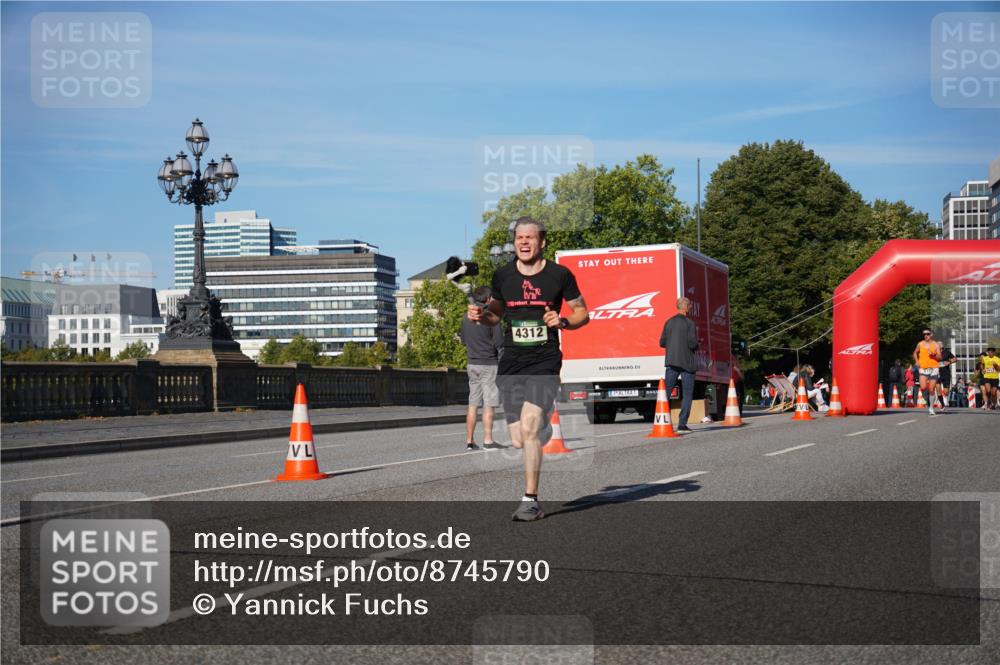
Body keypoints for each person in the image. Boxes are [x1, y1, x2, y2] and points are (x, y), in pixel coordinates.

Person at [468, 216, 589, 522]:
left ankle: (530, 500)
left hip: (544, 360)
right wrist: (482, 316)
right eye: (519, 238)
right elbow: (496, 315)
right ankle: (541, 430)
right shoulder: (503, 276)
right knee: (520, 439)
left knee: (530, 427)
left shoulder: (559, 275)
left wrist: (562, 321)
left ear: (542, 242)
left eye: (530, 237)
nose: (523, 242)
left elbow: (582, 313)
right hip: (511, 362)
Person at [459, 286, 504, 451]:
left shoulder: (466, 317)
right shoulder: (490, 316)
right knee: (489, 403)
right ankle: (488, 440)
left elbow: (463, 340)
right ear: (489, 299)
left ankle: (469, 441)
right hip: (489, 364)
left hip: (472, 363)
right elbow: (499, 343)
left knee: (473, 403)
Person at [658, 297, 699, 432]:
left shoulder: (668, 322)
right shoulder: (690, 323)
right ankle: (682, 424)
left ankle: (661, 420)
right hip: (687, 362)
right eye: (690, 305)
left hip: (671, 361)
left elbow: (662, 343)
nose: (691, 307)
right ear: (685, 307)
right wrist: (697, 345)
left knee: (666, 393)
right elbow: (692, 343)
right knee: (687, 393)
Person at [913, 329, 943, 415]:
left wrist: (933, 355)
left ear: (931, 334)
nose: (926, 335)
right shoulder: (920, 344)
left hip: (934, 368)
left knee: (931, 389)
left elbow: (940, 358)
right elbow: (914, 353)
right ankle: (929, 400)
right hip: (923, 368)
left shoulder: (935, 344)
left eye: (927, 334)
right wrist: (917, 361)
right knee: (923, 387)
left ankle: (931, 408)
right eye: (924, 334)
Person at [936, 346, 956, 412]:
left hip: (946, 374)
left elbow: (955, 359)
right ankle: (942, 404)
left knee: (946, 392)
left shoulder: (947, 352)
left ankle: (945, 398)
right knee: (938, 388)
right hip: (937, 373)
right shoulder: (935, 353)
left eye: (939, 344)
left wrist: (949, 362)